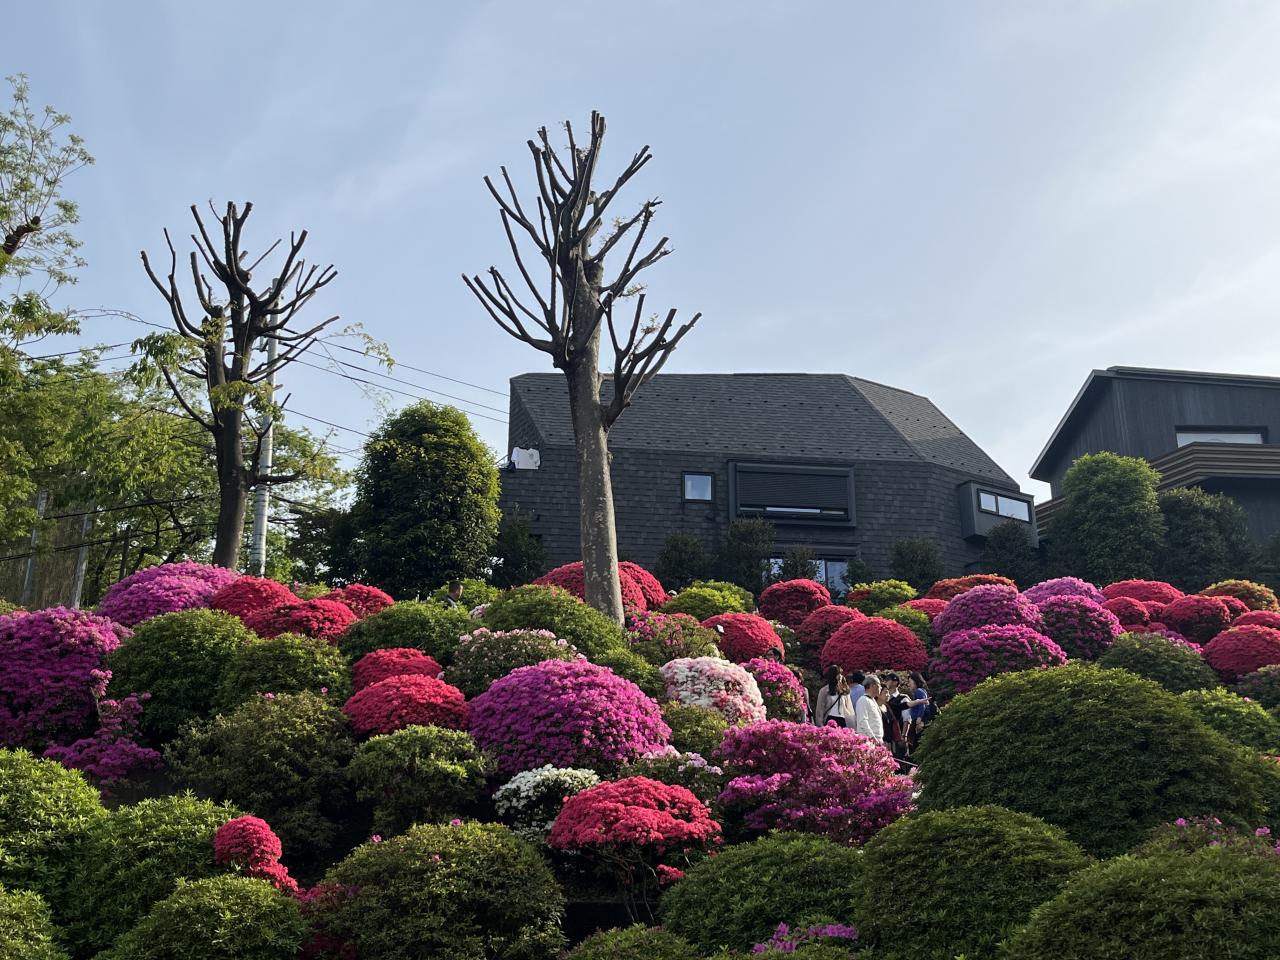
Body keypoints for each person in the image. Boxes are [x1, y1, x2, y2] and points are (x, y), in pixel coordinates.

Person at [854, 674, 884, 740]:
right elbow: (863, 721)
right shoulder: (863, 700)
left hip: (877, 739)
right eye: (879, 685)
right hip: (868, 739)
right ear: (872, 686)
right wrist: (872, 737)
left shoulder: (872, 700)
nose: (881, 687)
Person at [908, 670, 931, 746]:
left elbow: (922, 704)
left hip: (919, 720)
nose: (909, 684)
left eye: (910, 682)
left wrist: (919, 719)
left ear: (915, 681)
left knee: (916, 742)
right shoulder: (922, 690)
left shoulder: (919, 691)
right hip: (919, 719)